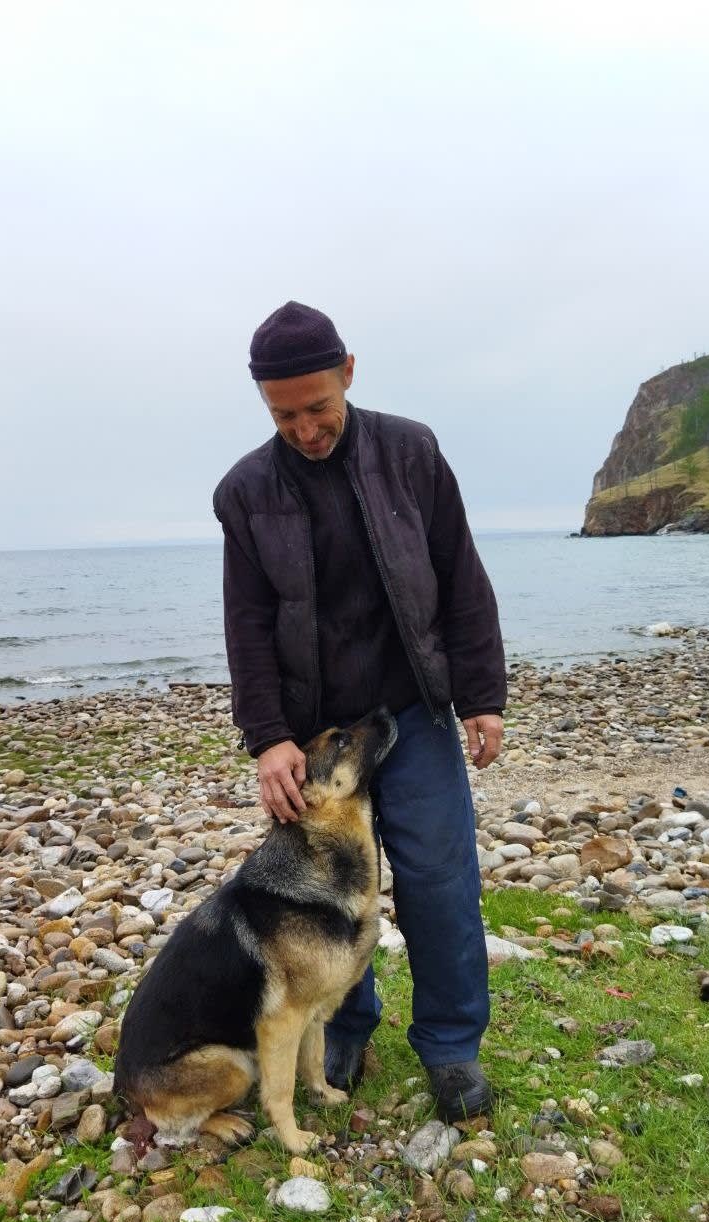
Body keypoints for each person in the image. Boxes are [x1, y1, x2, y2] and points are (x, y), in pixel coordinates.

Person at [212, 301, 507, 1121]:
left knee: (440, 881)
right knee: (322, 896)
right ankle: (344, 1028)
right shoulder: (244, 492)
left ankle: (451, 1048)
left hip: (410, 712)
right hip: (314, 737)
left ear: (348, 371)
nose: (305, 429)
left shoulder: (412, 452)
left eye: (318, 407)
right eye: (284, 416)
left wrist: (482, 695)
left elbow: (461, 575)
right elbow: (247, 624)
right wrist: (268, 739)